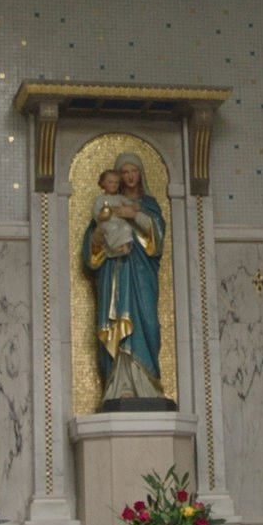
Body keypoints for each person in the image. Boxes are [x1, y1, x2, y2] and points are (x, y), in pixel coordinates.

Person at [83, 151, 166, 404]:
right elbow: (91, 250)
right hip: (115, 273)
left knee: (146, 322)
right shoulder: (107, 206)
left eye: (134, 171)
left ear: (140, 174)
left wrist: (133, 215)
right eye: (125, 172)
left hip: (141, 275)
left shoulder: (148, 204)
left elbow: (158, 237)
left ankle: (147, 385)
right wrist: (98, 237)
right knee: (115, 322)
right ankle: (119, 386)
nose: (130, 176)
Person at [92, 169, 140, 257]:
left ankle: (125, 245)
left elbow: (129, 204)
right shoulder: (100, 199)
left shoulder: (120, 198)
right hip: (106, 222)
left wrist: (134, 206)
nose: (114, 185)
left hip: (119, 221)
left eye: (116, 183)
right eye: (110, 182)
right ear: (103, 183)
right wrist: (102, 216)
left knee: (126, 227)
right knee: (112, 228)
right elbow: (96, 213)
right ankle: (114, 247)